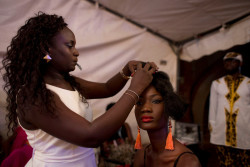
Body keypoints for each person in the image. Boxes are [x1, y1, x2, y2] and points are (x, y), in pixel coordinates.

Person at [1, 12, 158, 167]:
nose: (76, 52)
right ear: (47, 51)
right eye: (70, 46)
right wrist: (135, 89)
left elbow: (107, 88)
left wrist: (126, 70)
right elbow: (90, 136)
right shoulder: (32, 96)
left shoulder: (69, 82)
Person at [133, 71, 201, 167]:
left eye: (156, 101)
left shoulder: (187, 162)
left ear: (169, 106)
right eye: (139, 103)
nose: (145, 108)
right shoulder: (141, 155)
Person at [208, 52, 250, 166]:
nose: (229, 63)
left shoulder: (248, 83)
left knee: (245, 163)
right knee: (225, 163)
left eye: (232, 60)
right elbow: (213, 108)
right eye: (226, 61)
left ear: (240, 63)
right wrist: (213, 128)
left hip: (244, 132)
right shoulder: (216, 83)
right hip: (222, 132)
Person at [99, 102, 134, 166]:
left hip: (127, 151)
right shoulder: (105, 128)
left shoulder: (125, 125)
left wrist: (125, 143)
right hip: (114, 154)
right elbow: (105, 147)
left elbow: (131, 140)